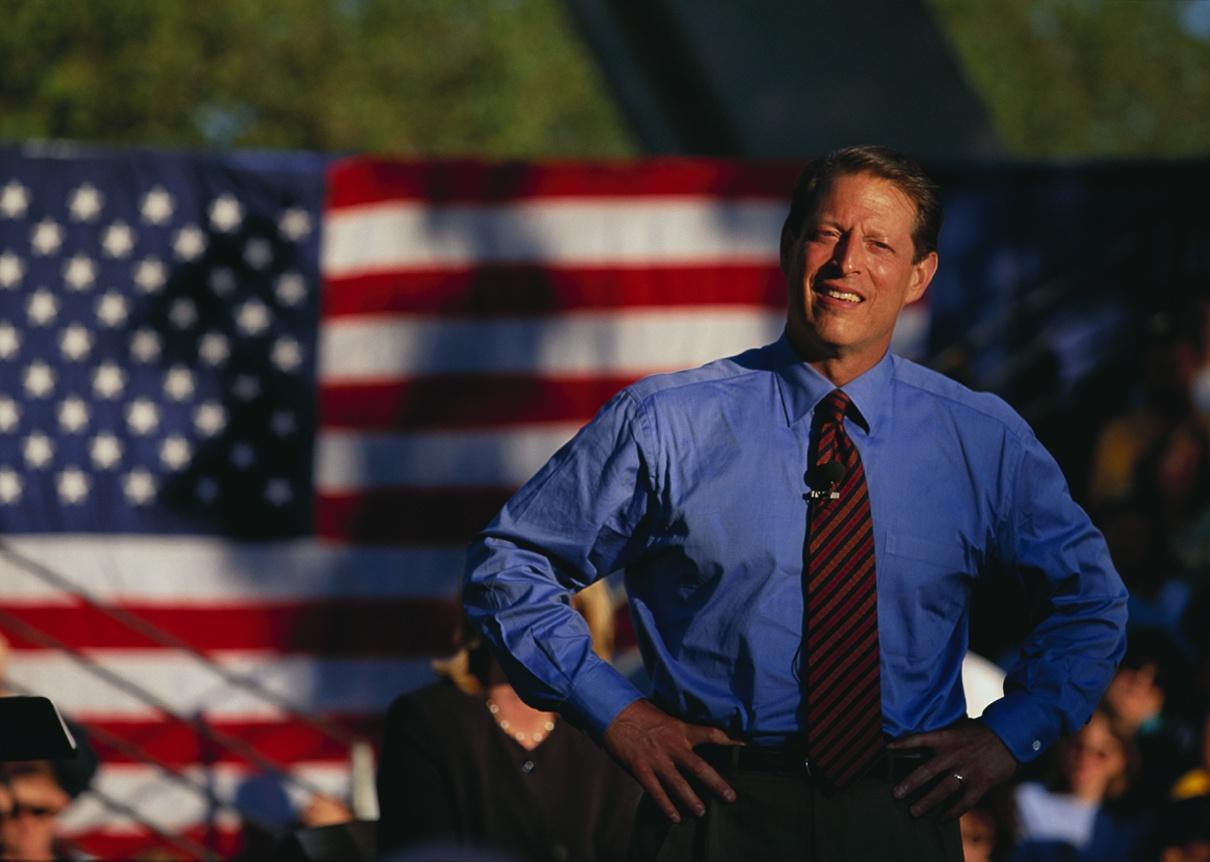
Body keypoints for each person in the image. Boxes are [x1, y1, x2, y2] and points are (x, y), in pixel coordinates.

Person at [463, 145, 1128, 861]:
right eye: (827, 233)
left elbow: (1092, 603)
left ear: (919, 276)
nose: (848, 262)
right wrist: (618, 715)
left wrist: (1008, 735)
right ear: (789, 248)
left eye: (880, 244)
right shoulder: (667, 424)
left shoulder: (982, 442)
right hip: (708, 809)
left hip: (901, 813)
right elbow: (510, 567)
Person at [376, 582, 640, 861]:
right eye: (523, 596)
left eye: (558, 601)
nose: (538, 618)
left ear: (586, 615)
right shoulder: (425, 721)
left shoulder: (611, 730)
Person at [1013, 708, 1148, 862]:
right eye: (1078, 746)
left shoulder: (1127, 828)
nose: (1085, 760)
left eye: (1102, 754)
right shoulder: (1023, 799)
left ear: (1122, 761)